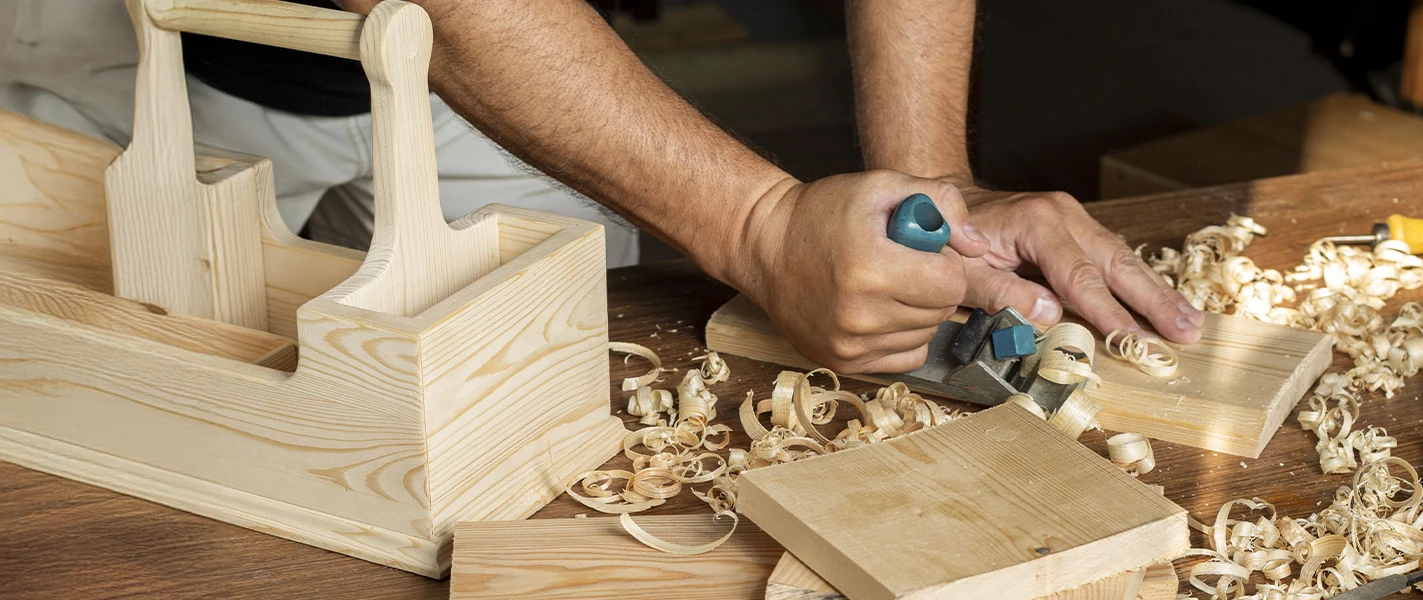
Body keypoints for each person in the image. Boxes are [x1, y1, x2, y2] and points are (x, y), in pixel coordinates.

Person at [0, 0, 1203, 373]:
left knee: (556, 371)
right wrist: (758, 222)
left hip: (475, 48)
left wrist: (925, 196)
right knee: (112, 380)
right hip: (126, 44)